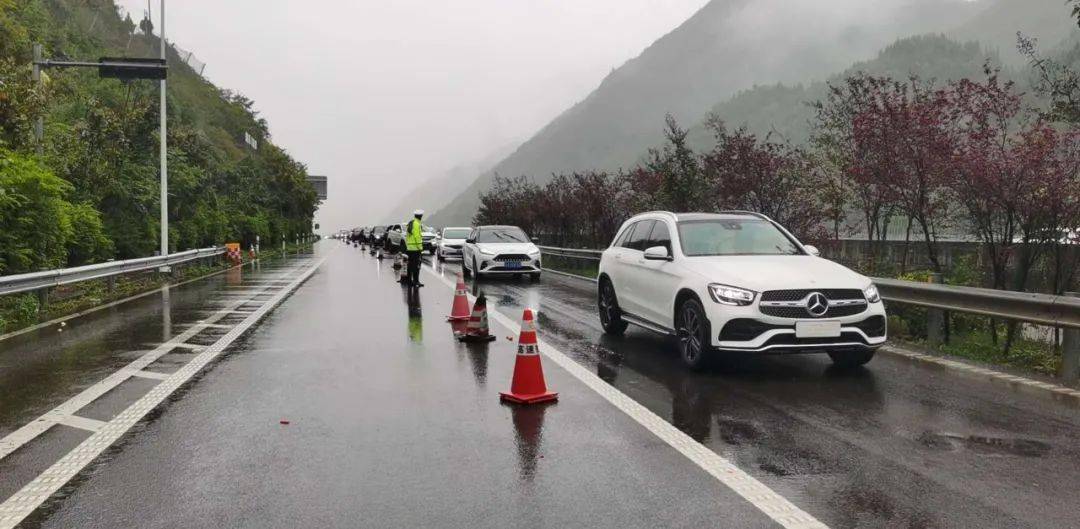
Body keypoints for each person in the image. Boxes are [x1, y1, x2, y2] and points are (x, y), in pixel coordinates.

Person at [404, 210, 425, 287]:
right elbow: (417, 236)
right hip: (415, 248)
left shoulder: (411, 223)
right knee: (416, 266)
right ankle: (416, 281)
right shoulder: (417, 224)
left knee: (410, 265)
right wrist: (420, 247)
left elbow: (407, 236)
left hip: (409, 248)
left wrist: (408, 246)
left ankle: (409, 281)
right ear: (420, 216)